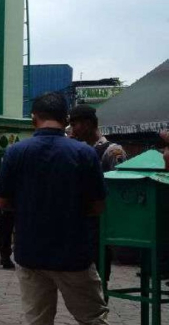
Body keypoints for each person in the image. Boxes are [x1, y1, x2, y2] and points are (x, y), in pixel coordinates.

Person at [0, 92, 109, 325]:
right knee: (93, 319)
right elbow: (98, 206)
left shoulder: (15, 152)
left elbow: (2, 202)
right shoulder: (84, 153)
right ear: (66, 119)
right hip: (73, 253)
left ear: (33, 118)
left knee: (36, 320)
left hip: (30, 253)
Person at [69, 104, 127, 282]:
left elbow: (120, 189)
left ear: (87, 124)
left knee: (98, 277)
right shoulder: (76, 149)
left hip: (100, 223)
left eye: (75, 124)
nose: (72, 129)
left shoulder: (111, 151)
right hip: (80, 223)